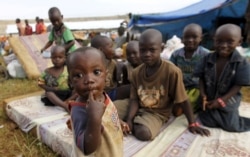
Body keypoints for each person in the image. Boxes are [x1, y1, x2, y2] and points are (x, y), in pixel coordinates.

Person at [121, 29, 210, 141]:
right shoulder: (136, 72)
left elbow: (183, 99)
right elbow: (134, 99)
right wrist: (129, 118)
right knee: (109, 111)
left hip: (157, 112)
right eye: (143, 50)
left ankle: (134, 122)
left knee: (143, 134)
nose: (147, 54)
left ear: (161, 49)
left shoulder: (172, 71)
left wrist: (192, 123)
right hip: (136, 105)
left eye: (152, 50)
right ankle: (130, 121)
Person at [67, 47, 123, 156]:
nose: (89, 80)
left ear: (106, 76)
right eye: (79, 75)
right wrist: (94, 118)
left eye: (96, 72)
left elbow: (108, 116)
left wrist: (118, 122)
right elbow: (87, 148)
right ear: (70, 82)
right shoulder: (79, 111)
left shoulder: (101, 95)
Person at [194, 24, 250, 132]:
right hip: (209, 98)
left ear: (239, 41)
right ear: (214, 40)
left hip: (228, 100)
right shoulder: (207, 58)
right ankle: (214, 115)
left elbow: (238, 85)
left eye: (230, 42)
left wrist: (221, 100)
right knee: (207, 122)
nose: (224, 45)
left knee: (231, 126)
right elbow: (201, 78)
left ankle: (227, 117)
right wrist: (202, 94)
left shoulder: (241, 63)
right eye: (219, 41)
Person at [170, 23, 210, 112]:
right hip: (180, 87)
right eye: (186, 37)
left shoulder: (206, 55)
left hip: (197, 88)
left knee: (185, 105)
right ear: (182, 38)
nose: (190, 40)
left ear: (201, 38)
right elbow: (170, 72)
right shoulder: (176, 54)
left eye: (194, 37)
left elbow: (209, 76)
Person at [38, 45, 77, 111]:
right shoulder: (47, 71)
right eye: (54, 57)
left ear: (65, 58)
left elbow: (74, 80)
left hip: (68, 94)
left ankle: (66, 102)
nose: (57, 60)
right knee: (49, 93)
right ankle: (65, 106)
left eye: (60, 57)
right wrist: (50, 89)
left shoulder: (68, 70)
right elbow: (40, 83)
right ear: (51, 58)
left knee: (78, 91)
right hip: (55, 95)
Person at [91, 35, 118, 100]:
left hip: (111, 92)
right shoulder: (91, 65)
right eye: (111, 47)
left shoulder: (113, 63)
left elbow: (115, 80)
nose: (113, 50)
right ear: (100, 50)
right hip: (96, 94)